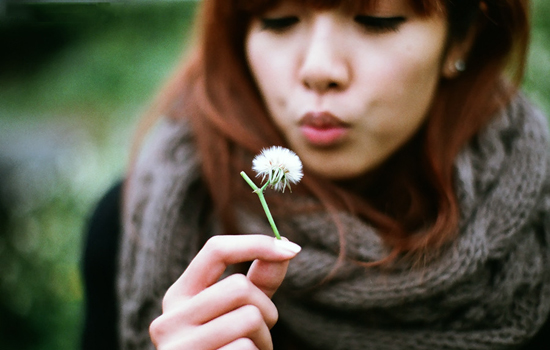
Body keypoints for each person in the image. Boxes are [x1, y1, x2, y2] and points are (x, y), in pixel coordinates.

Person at [81, 0, 550, 349]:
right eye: (278, 19)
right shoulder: (132, 226)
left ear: (461, 39)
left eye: (377, 19)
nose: (319, 69)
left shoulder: (538, 231)